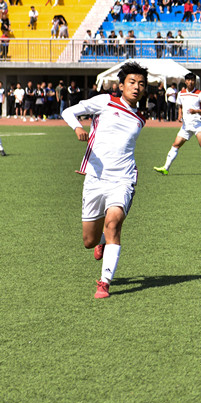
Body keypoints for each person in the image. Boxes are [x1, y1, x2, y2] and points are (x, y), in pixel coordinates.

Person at [61, 62, 149, 299]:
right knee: (89, 241)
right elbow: (68, 112)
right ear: (121, 85)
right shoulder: (105, 101)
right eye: (132, 82)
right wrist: (78, 128)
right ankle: (101, 241)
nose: (136, 87)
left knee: (113, 223)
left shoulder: (140, 118)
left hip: (124, 179)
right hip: (95, 179)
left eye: (141, 84)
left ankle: (104, 283)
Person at [154, 73, 201, 177]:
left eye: (192, 80)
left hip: (197, 125)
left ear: (195, 82)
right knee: (175, 145)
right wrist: (179, 115)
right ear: (185, 81)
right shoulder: (181, 93)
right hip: (185, 126)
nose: (190, 82)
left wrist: (196, 111)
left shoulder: (199, 94)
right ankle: (165, 168)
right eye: (188, 80)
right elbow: (180, 106)